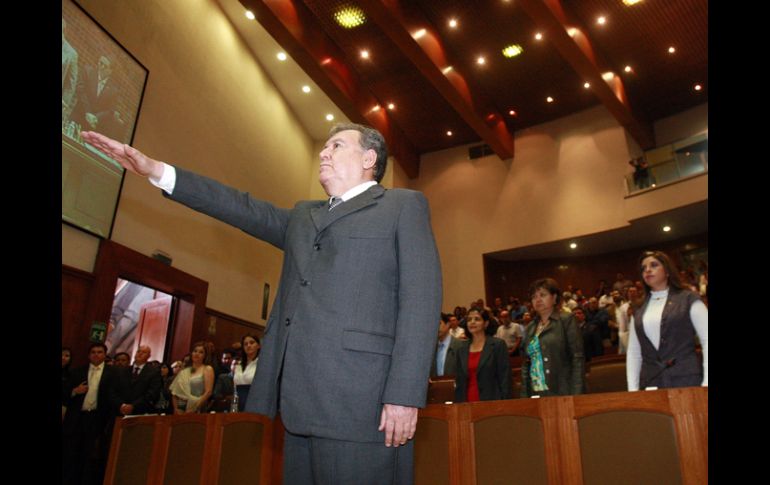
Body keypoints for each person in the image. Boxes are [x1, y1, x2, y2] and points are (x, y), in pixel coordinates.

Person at [81, 122, 442, 484]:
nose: (324, 152)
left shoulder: (401, 206)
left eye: (336, 145)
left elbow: (420, 301)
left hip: (365, 404)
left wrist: (404, 394)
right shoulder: (304, 216)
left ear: (369, 157)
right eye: (324, 146)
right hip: (298, 406)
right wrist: (157, 171)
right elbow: (240, 207)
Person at [627, 251, 708, 391]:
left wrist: (707, 383)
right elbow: (634, 352)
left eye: (654, 265)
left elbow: (707, 340)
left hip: (686, 379)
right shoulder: (638, 307)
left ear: (667, 270)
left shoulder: (688, 299)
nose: (647, 270)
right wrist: (632, 390)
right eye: (643, 268)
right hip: (651, 382)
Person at [62, 343, 122, 485]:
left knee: (90, 455)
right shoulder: (77, 372)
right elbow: (64, 394)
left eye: (100, 352)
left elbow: (114, 396)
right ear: (89, 355)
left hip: (97, 418)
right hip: (77, 418)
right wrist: (75, 391)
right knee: (71, 453)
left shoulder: (113, 373)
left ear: (104, 355)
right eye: (93, 352)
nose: (96, 354)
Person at [520, 278, 585, 398]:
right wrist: (524, 396)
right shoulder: (530, 327)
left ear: (555, 298)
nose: (538, 299)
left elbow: (577, 359)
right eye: (534, 297)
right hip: (535, 392)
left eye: (542, 295)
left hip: (562, 391)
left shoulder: (566, 320)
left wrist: (577, 394)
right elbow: (526, 364)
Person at [453, 308, 512, 402]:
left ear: (486, 323)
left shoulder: (497, 345)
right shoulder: (461, 349)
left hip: (492, 401)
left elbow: (505, 379)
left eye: (477, 319)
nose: (472, 322)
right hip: (466, 402)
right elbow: (459, 382)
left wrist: (505, 403)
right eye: (469, 320)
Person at [169, 342, 215, 414]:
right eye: (195, 351)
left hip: (197, 407)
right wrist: (175, 408)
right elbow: (175, 392)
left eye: (201, 352)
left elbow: (208, 392)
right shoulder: (184, 371)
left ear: (205, 356)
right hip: (180, 407)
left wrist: (195, 407)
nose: (197, 354)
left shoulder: (207, 369)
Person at [118, 345, 161, 416]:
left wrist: (133, 405)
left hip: (141, 410)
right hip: (121, 409)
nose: (140, 353)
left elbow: (152, 393)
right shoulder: (124, 370)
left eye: (144, 352)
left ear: (149, 356)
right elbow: (115, 389)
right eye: (138, 351)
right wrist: (122, 405)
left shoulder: (154, 372)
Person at [233, 334, 261, 411]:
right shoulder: (238, 365)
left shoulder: (261, 364)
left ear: (258, 346)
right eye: (245, 344)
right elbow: (235, 386)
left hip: (255, 400)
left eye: (252, 343)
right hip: (238, 401)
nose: (248, 345)